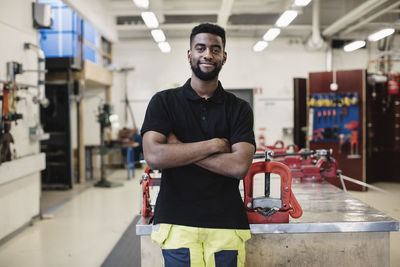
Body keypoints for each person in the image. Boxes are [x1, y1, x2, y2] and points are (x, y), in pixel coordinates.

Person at [141, 23, 255, 267]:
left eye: (215, 49)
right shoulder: (164, 102)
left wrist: (178, 147)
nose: (208, 55)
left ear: (224, 56)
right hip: (176, 221)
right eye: (200, 48)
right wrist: (214, 145)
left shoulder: (239, 108)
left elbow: (238, 166)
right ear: (189, 53)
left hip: (226, 224)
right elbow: (154, 156)